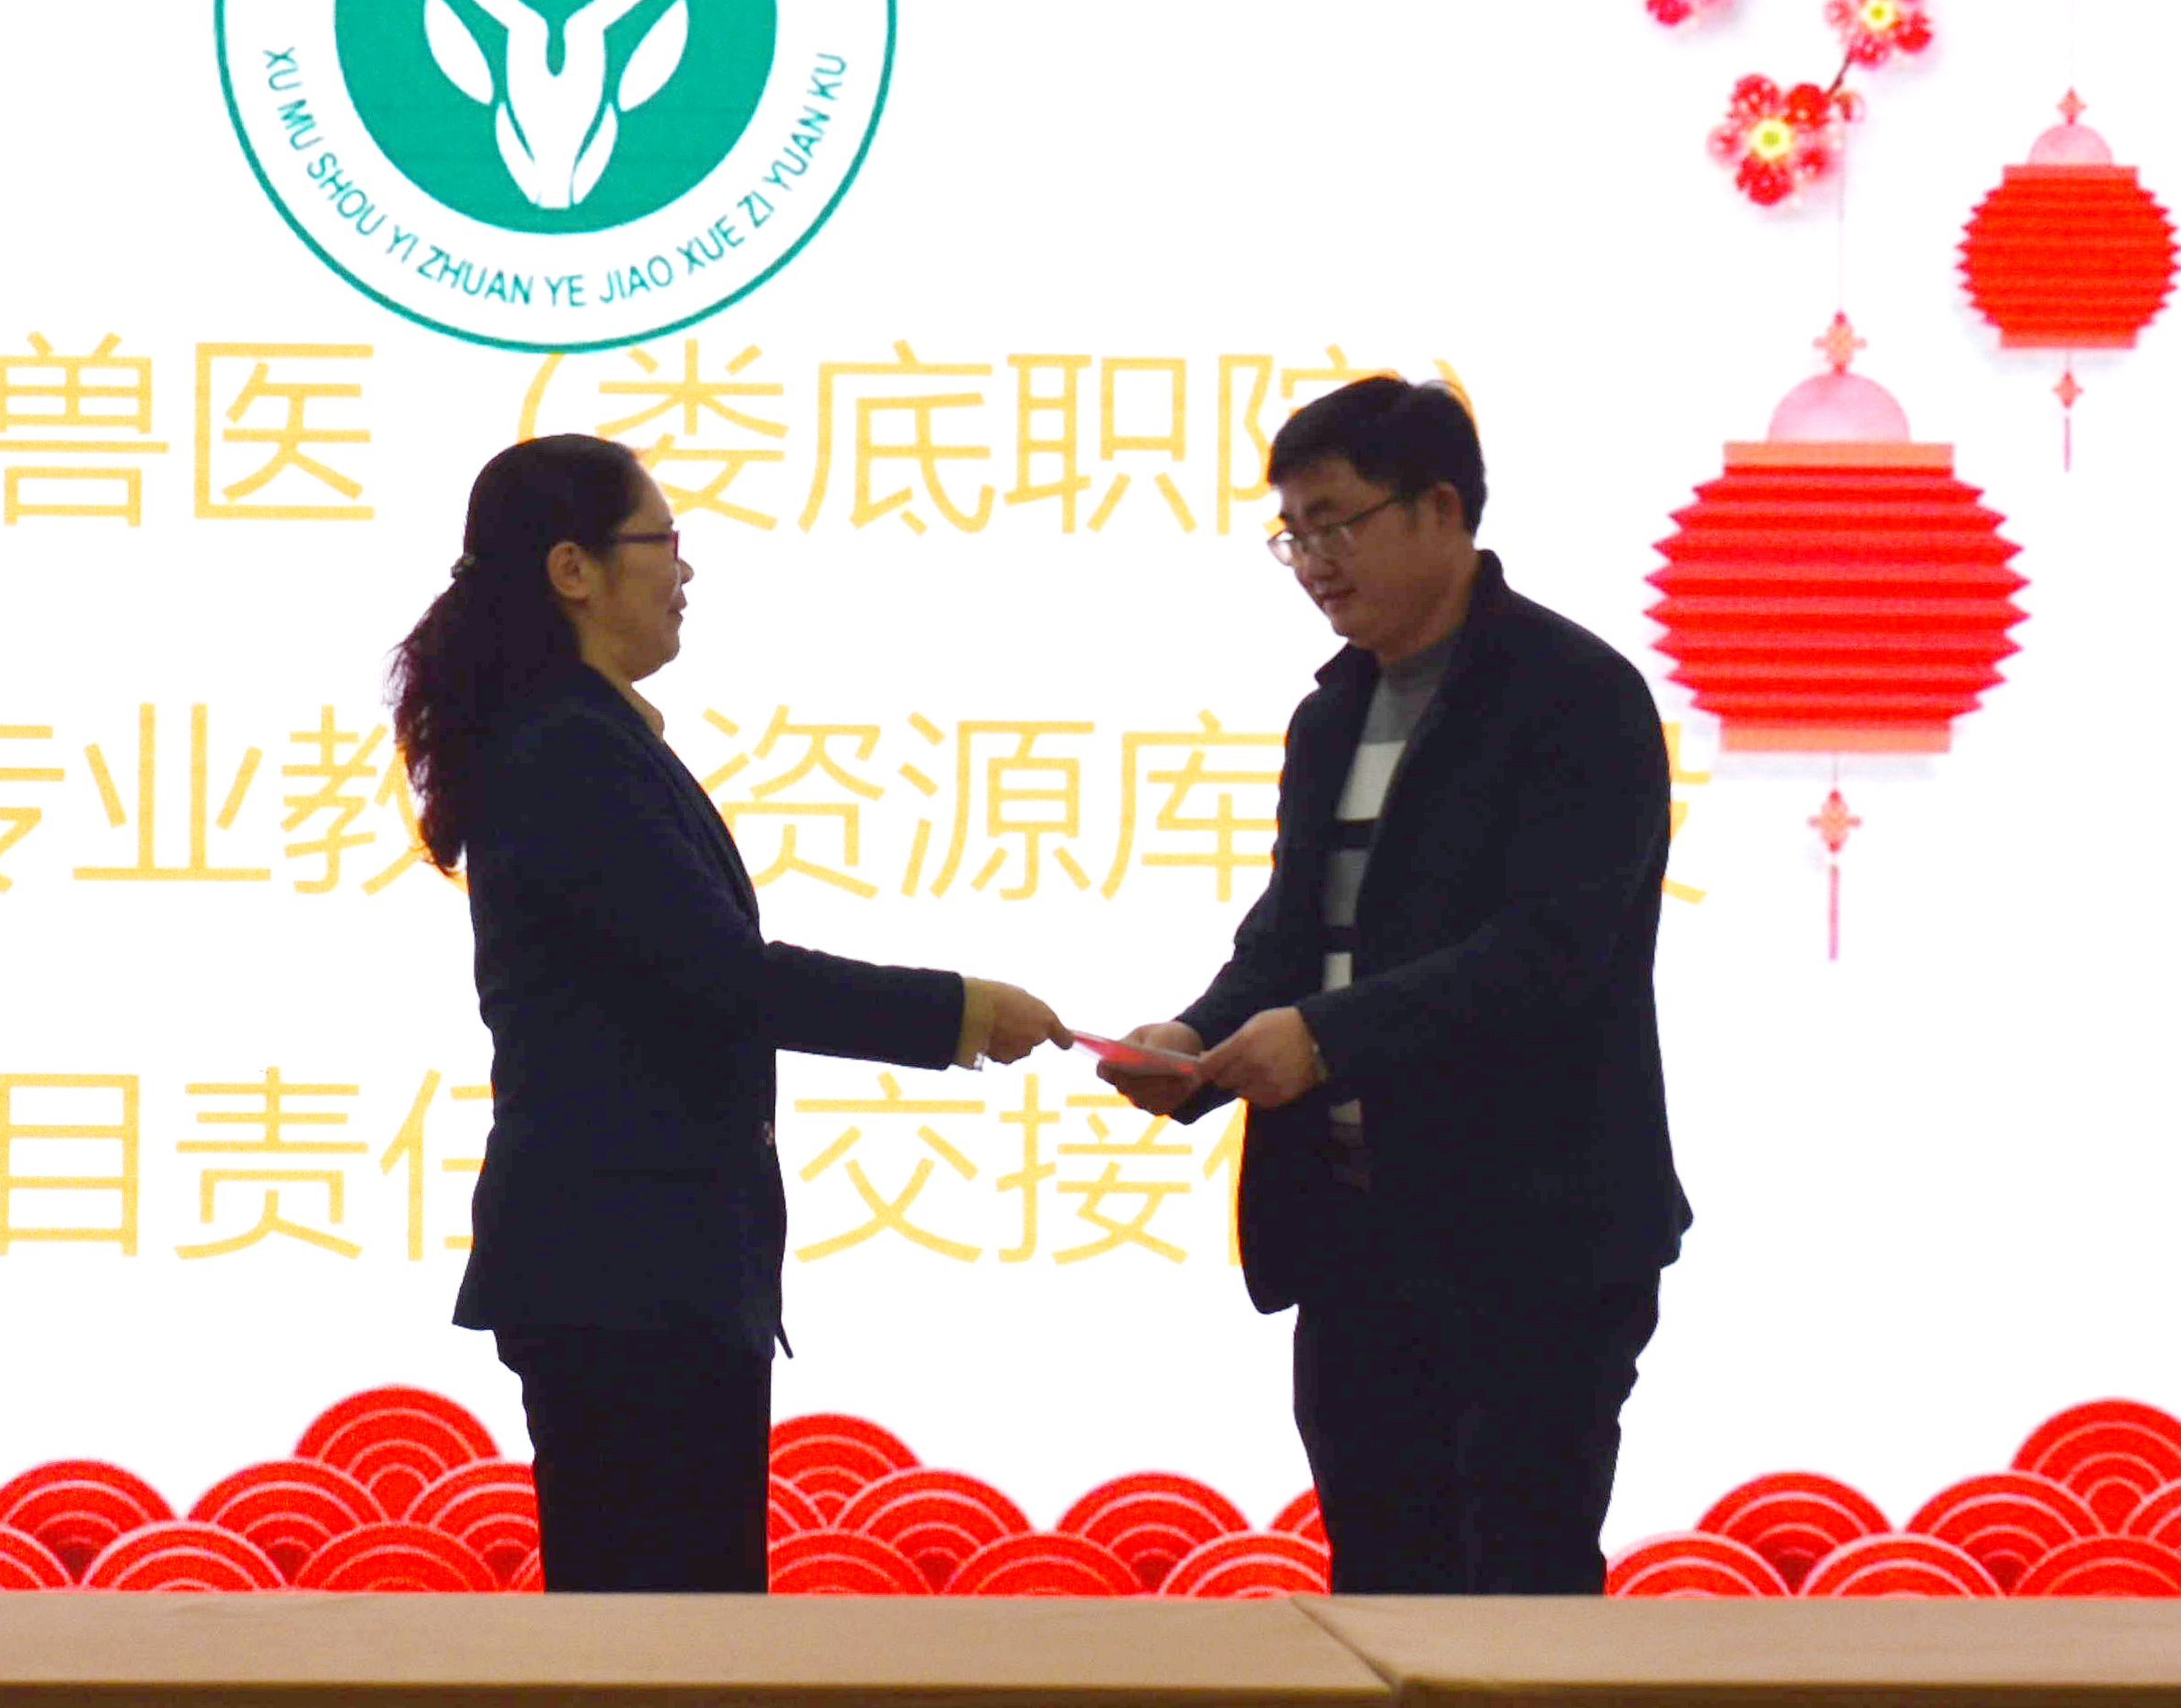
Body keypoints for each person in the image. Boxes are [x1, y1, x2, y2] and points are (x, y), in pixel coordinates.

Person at [389, 433, 1070, 1593]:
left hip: (647, 1272)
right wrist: (959, 1011)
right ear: (572, 569)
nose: (684, 568)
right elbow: (724, 975)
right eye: (661, 539)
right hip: (625, 1275)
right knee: (661, 1637)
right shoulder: (565, 748)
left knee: (674, 1629)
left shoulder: (584, 734)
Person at [1101, 377, 1690, 1596]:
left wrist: (1324, 1037)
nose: (1313, 561)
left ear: (1441, 509)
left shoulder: (1575, 695)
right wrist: (1194, 1041)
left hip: (1535, 1237)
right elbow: (1292, 935)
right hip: (1355, 1234)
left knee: (1520, 1595)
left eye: (1335, 522)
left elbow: (1548, 954)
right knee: (1377, 1585)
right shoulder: (1331, 715)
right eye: (1291, 535)